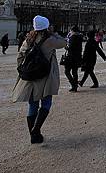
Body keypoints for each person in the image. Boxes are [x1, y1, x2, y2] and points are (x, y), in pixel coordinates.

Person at [11, 15, 66, 144]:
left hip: (30, 76)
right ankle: (36, 129)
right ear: (46, 27)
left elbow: (20, 56)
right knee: (46, 103)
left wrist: (22, 70)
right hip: (44, 76)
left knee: (33, 105)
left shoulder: (29, 39)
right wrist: (54, 33)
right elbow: (64, 42)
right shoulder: (50, 40)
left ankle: (33, 135)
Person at [64, 26, 83, 92]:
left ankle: (73, 85)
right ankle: (75, 86)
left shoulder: (73, 37)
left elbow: (70, 47)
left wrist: (66, 47)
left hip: (71, 57)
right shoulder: (80, 37)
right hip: (77, 57)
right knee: (75, 72)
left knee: (67, 71)